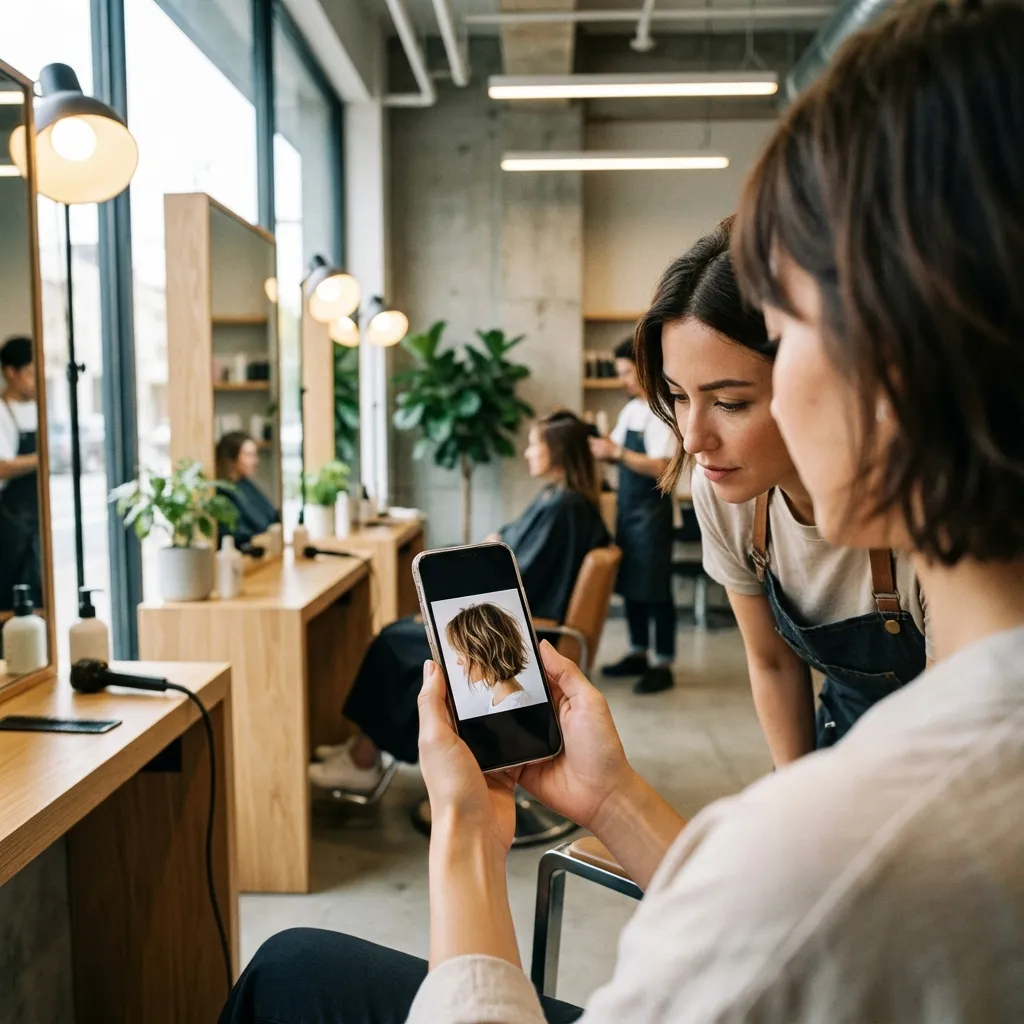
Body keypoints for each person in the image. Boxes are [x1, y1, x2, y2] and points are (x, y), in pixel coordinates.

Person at [220, 3, 1024, 1020]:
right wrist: (610, 799)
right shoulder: (843, 835)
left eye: (788, 330)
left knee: (287, 973)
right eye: (680, 402)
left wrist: (463, 836)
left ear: (899, 352)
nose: (700, 434)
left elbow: (796, 901)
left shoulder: (839, 859)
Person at [635, 218, 929, 762]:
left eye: (730, 403)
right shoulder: (727, 497)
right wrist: (790, 791)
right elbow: (772, 663)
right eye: (677, 396)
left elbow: (963, 737)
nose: (694, 438)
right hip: (842, 733)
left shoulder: (929, 517)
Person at [310, 409, 610, 792]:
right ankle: (361, 750)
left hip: (524, 629)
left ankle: (363, 761)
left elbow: (521, 579)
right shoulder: (562, 499)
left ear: (559, 451)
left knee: (394, 642)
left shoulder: (565, 507)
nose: (528, 453)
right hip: (521, 621)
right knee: (399, 634)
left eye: (535, 445)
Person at [590, 338, 678, 694]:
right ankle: (638, 652)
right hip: (628, 512)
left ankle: (664, 662)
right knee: (632, 588)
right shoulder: (630, 411)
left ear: (644, 366)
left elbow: (662, 466)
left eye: (627, 372)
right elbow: (611, 450)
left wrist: (617, 453)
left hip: (653, 516)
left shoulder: (663, 411)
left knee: (655, 590)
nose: (623, 380)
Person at [0, 336, 42, 611]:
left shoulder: (40, 408)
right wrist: (41, 459)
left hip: (37, 518)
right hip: (9, 520)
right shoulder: (2, 411)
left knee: (39, 590)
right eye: (29, 372)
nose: (34, 380)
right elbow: (2, 466)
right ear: (10, 372)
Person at [447, 603, 532, 713]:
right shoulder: (503, 699)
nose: (458, 661)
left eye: (461, 652)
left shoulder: (515, 706)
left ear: (483, 651)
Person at [214, 431, 279, 548]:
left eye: (255, 455)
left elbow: (271, 516)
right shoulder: (222, 493)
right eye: (249, 455)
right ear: (231, 458)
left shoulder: (246, 485)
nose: (255, 461)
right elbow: (237, 535)